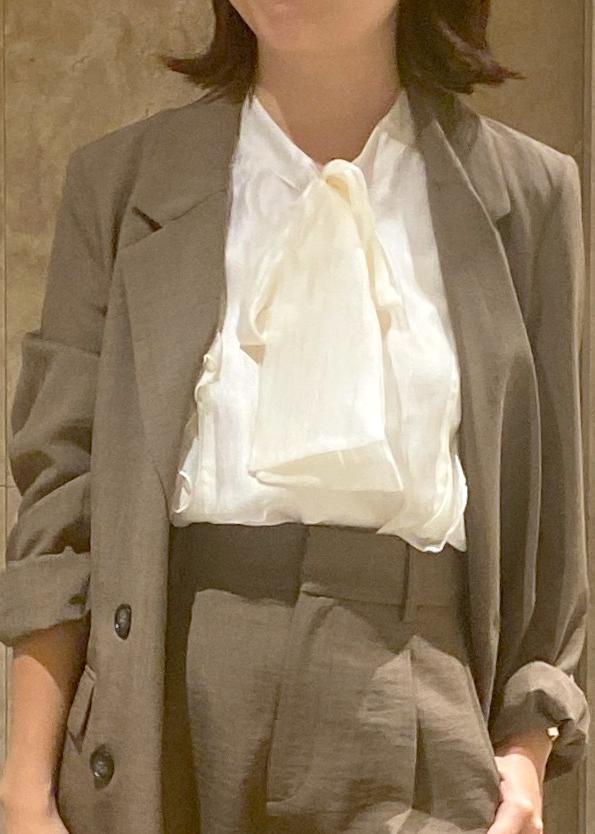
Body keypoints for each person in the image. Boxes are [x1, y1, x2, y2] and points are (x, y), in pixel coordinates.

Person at [0, 1, 589, 833]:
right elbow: (61, 503)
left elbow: (552, 514)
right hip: (163, 704)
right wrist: (24, 794)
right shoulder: (120, 182)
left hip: (414, 705)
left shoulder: (526, 195)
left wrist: (525, 752)